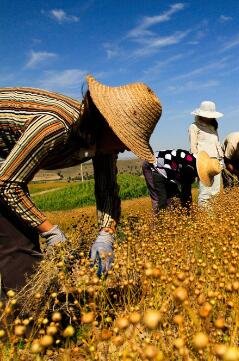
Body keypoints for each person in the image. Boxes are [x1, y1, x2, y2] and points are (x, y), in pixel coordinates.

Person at [0, 75, 162, 289]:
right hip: (5, 174)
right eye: (125, 139)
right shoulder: (55, 127)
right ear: (108, 124)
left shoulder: (103, 144)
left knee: (23, 239)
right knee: (19, 247)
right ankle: (24, 316)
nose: (126, 149)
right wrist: (51, 232)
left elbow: (107, 190)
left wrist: (106, 235)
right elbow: (7, 184)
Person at [142, 150, 221, 213]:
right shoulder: (189, 168)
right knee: (160, 200)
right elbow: (186, 192)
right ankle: (157, 226)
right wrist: (188, 212)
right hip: (152, 164)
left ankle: (170, 222)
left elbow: (185, 191)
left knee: (174, 199)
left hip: (168, 170)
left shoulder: (194, 162)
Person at [188, 100, 224, 208]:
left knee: (216, 193)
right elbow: (193, 148)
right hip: (203, 163)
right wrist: (198, 164)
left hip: (215, 163)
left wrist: (221, 160)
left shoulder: (213, 127)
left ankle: (212, 219)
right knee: (205, 194)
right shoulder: (194, 127)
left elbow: (217, 144)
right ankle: (205, 219)